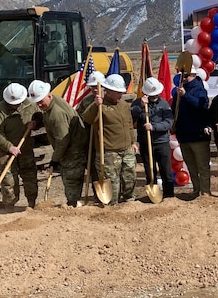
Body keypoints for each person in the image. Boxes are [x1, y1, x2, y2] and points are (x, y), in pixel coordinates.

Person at [28, 80, 88, 207]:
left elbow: (62, 140)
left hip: (72, 151)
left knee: (71, 180)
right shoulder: (53, 103)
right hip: (71, 148)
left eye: (41, 101)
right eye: (37, 102)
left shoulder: (56, 114)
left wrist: (54, 159)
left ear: (49, 95)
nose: (39, 105)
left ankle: (73, 205)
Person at [81, 74, 137, 204]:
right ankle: (113, 205)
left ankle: (129, 200)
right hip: (109, 152)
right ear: (109, 91)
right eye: (118, 93)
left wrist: (133, 142)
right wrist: (96, 105)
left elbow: (129, 124)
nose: (120, 95)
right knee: (113, 183)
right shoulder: (100, 105)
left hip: (126, 149)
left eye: (121, 93)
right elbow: (87, 119)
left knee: (130, 177)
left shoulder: (123, 105)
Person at [0, 83, 39, 209]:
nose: (15, 105)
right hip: (6, 152)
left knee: (30, 177)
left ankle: (31, 204)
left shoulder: (30, 104)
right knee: (8, 181)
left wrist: (36, 123)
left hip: (25, 148)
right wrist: (9, 147)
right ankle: (9, 207)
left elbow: (40, 117)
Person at [131, 76, 175, 199]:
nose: (154, 96)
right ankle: (153, 195)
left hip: (161, 142)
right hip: (146, 143)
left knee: (166, 171)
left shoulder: (164, 104)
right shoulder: (138, 103)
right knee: (150, 172)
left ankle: (169, 195)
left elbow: (169, 122)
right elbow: (130, 119)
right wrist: (140, 106)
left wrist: (154, 126)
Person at [171, 67, 212, 198]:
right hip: (183, 135)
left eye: (186, 76)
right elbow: (175, 110)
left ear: (193, 76)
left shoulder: (200, 90)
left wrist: (186, 96)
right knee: (191, 167)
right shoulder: (179, 92)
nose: (183, 79)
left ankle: (205, 192)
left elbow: (201, 106)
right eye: (182, 77)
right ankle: (196, 190)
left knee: (202, 167)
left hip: (198, 135)